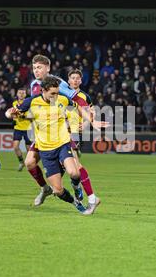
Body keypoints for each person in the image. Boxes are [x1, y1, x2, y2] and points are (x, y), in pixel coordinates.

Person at [22, 54, 107, 207]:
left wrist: (91, 120)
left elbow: (78, 100)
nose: (36, 71)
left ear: (48, 68)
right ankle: (45, 188)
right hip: (45, 133)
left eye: (39, 67)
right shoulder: (34, 84)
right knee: (29, 162)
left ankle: (86, 193)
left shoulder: (58, 83)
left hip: (64, 129)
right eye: (34, 68)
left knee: (75, 165)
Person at [12, 75, 87, 213]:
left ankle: (76, 187)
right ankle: (75, 202)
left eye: (57, 93)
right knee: (58, 191)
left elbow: (77, 108)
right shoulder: (32, 102)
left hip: (62, 143)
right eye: (53, 93)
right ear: (43, 91)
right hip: (45, 147)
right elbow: (16, 113)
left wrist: (87, 121)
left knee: (75, 173)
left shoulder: (62, 100)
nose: (55, 96)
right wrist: (12, 113)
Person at [66, 68, 100, 215]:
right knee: (69, 166)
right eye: (72, 78)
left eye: (77, 78)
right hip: (61, 133)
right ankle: (78, 191)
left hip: (75, 133)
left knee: (75, 165)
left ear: (80, 80)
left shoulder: (84, 97)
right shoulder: (62, 94)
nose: (74, 80)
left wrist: (85, 125)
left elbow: (92, 113)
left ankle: (89, 196)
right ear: (68, 80)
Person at [12, 88, 32, 171]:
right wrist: (12, 115)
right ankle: (21, 162)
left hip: (28, 128)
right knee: (15, 146)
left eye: (23, 93)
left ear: (25, 94)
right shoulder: (14, 103)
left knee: (28, 149)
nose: (21, 94)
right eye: (19, 93)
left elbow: (32, 116)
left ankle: (29, 163)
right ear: (17, 94)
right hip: (18, 128)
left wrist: (23, 116)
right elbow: (14, 115)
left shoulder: (29, 103)